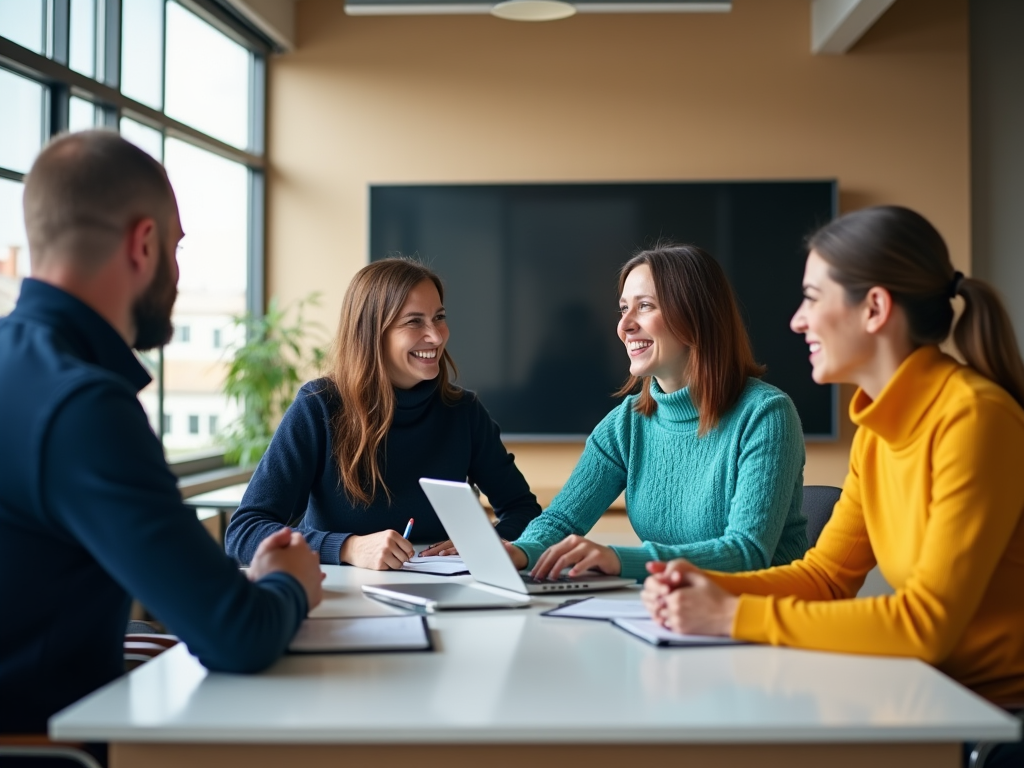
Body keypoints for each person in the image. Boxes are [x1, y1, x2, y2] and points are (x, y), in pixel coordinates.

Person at [642, 207, 1024, 727]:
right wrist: (707, 583)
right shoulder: (876, 430)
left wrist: (731, 615)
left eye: (812, 298)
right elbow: (825, 578)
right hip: (927, 700)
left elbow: (924, 625)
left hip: (991, 719)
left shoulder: (975, 419)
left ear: (874, 309)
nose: (797, 319)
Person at [0, 131, 324, 738]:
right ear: (143, 244)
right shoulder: (81, 406)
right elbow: (239, 636)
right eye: (175, 249)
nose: (177, 273)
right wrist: (291, 582)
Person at [506, 244, 808, 582]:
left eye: (644, 306)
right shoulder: (628, 422)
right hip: (671, 611)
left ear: (696, 317)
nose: (624, 326)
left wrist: (617, 559)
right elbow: (562, 521)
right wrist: (516, 551)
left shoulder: (765, 415)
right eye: (623, 309)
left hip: (760, 616)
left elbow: (747, 552)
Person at [224, 258, 541, 570]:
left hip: (445, 595)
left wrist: (485, 541)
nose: (436, 336)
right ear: (371, 332)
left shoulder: (464, 413)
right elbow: (244, 533)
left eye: (439, 317)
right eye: (414, 321)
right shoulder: (318, 406)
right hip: (342, 598)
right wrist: (348, 547)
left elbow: (523, 511)